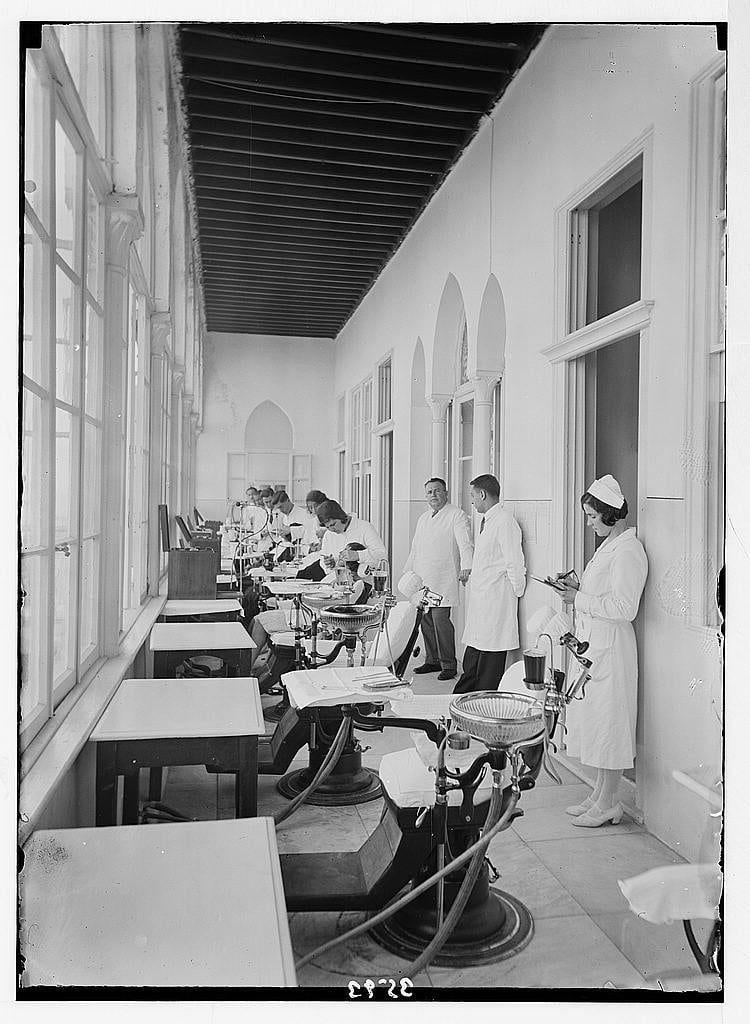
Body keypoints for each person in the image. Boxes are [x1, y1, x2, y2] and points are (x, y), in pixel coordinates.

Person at [554, 474, 648, 828]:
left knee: (610, 725)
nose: (589, 523)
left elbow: (625, 607)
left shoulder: (628, 550)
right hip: (596, 647)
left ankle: (609, 803)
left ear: (609, 514)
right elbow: (601, 594)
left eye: (593, 516)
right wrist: (575, 589)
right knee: (597, 723)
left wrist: (578, 598)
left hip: (613, 649)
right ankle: (598, 795)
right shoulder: (610, 546)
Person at [454, 474, 526, 694]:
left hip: (495, 603)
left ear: (483, 494)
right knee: (473, 661)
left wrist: (517, 590)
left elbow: (514, 562)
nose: (472, 501)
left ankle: (478, 708)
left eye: (473, 496)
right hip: (483, 602)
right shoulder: (487, 521)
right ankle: (458, 703)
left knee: (488, 669)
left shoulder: (505, 522)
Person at [401, 478, 473, 680]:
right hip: (423, 577)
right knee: (425, 620)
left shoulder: (456, 514)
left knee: (441, 620)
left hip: (444, 577)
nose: (433, 495)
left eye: (437, 491)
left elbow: (465, 543)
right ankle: (432, 660)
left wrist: (467, 566)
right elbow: (415, 548)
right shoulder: (423, 518)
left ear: (446, 493)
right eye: (429, 492)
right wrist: (408, 571)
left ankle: (449, 664)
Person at [316, 499, 388, 573]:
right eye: (327, 527)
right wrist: (330, 564)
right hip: (338, 578)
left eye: (333, 524)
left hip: (364, 578)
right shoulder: (328, 535)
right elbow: (323, 561)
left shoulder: (365, 527)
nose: (332, 529)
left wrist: (358, 555)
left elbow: (382, 555)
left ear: (341, 516)